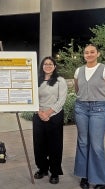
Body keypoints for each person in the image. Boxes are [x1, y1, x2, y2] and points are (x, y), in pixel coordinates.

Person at [73, 44, 105, 189]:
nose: (89, 54)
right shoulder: (78, 70)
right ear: (83, 55)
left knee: (97, 145)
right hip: (81, 108)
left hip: (99, 109)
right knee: (83, 142)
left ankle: (100, 180)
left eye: (92, 52)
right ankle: (84, 176)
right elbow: (77, 89)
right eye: (86, 52)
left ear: (98, 54)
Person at [33, 56, 67, 184]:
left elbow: (61, 100)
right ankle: (42, 168)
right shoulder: (37, 81)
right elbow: (32, 98)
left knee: (55, 146)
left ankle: (54, 172)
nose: (48, 66)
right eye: (45, 64)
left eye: (50, 64)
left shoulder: (60, 81)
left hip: (54, 115)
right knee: (39, 145)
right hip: (38, 114)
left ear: (54, 66)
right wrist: (39, 112)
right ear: (42, 66)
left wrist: (48, 113)